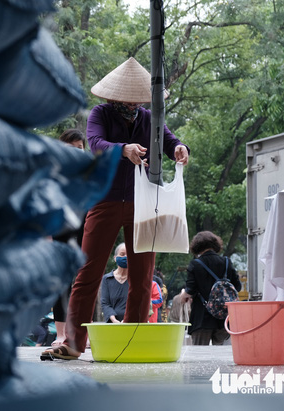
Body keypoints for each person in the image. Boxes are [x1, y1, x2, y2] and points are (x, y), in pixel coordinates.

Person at [42, 57, 190, 360]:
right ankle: (72, 342)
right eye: (129, 97)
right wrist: (124, 149)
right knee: (88, 271)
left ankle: (132, 337)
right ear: (115, 95)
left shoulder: (149, 118)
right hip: (105, 200)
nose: (133, 102)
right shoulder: (101, 113)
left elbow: (169, 139)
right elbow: (95, 142)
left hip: (144, 204)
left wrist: (179, 148)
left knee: (142, 274)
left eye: (138, 98)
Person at [50, 128, 88, 346]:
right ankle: (61, 334)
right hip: (60, 230)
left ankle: (82, 334)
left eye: (79, 148)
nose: (75, 152)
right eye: (70, 147)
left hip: (86, 228)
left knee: (85, 280)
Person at [180, 231, 241, 345]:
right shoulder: (226, 262)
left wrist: (184, 295)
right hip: (223, 317)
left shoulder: (195, 264)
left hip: (202, 317)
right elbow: (237, 286)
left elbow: (190, 290)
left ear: (197, 246)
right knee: (219, 356)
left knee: (199, 355)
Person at [100, 243, 129, 323]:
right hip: (112, 325)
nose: (125, 257)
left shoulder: (135, 279)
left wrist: (127, 319)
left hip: (131, 324)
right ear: (115, 258)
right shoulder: (107, 279)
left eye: (128, 255)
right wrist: (114, 320)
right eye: (122, 254)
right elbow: (105, 303)